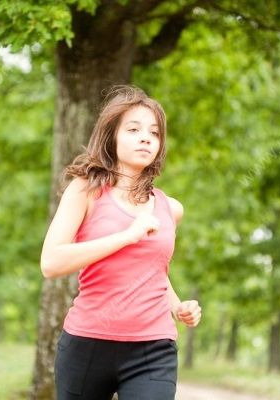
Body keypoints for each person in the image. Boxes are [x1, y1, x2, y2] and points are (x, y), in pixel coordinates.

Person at [40, 85, 202, 400]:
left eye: (154, 133)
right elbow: (51, 263)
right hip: (87, 344)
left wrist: (177, 306)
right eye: (133, 129)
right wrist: (127, 236)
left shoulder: (170, 208)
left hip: (153, 349)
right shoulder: (84, 191)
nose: (146, 138)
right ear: (112, 136)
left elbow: (153, 271)